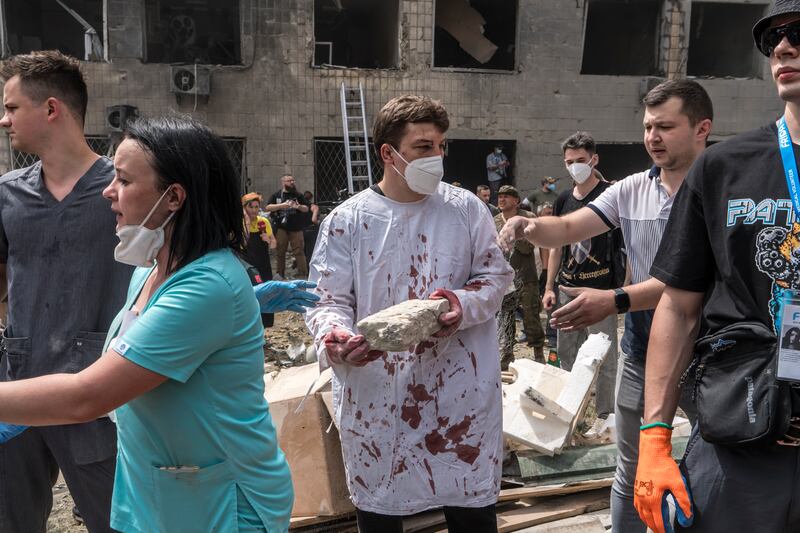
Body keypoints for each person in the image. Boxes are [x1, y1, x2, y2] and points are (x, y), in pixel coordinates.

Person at [0, 116, 318, 532]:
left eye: (123, 180)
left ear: (173, 197)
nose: (108, 191)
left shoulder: (207, 286)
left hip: (221, 504)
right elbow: (129, 358)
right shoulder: (149, 271)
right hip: (158, 492)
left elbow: (88, 397)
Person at [498, 78, 713, 533]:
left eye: (665, 127)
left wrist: (615, 300)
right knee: (632, 465)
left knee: (712, 459)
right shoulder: (631, 189)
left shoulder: (722, 189)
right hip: (641, 343)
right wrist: (526, 226)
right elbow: (568, 228)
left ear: (702, 128)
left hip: (708, 347)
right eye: (648, 127)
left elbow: (688, 284)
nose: (653, 137)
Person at [305, 95, 512, 533]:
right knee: (381, 509)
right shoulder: (348, 220)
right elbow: (326, 300)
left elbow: (495, 278)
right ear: (388, 153)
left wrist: (456, 305)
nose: (437, 156)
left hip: (459, 392)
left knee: (470, 511)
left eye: (441, 145)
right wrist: (336, 338)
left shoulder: (465, 209)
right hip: (379, 394)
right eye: (423, 146)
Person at [634, 5, 800, 531]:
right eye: (772, 40)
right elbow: (679, 305)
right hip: (743, 438)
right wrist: (654, 437)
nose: (782, 48)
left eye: (798, 34)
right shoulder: (724, 167)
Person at [0, 50, 133, 533]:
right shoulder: (7, 194)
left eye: (12, 108)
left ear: (51, 108)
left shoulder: (121, 191)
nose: (4, 120)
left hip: (99, 389)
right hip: (18, 386)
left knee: (115, 520)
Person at [545, 131, 623, 436]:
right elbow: (556, 246)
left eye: (580, 160)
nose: (575, 166)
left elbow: (626, 243)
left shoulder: (610, 194)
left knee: (604, 357)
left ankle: (606, 416)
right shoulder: (563, 200)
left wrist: (622, 289)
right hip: (567, 288)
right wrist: (549, 287)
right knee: (568, 355)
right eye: (569, 162)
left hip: (600, 291)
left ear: (594, 160)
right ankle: (571, 415)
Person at [494, 185, 545, 366]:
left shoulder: (528, 217)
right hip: (504, 279)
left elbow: (535, 245)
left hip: (526, 276)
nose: (502, 199)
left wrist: (545, 271)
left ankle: (538, 352)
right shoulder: (494, 221)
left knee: (531, 316)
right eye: (500, 196)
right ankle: (507, 353)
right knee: (506, 317)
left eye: (507, 196)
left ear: (516, 200)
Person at [241, 192, 277, 328]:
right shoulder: (240, 223)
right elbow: (242, 244)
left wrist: (268, 240)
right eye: (251, 207)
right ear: (244, 208)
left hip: (263, 263)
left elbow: (274, 244)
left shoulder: (263, 222)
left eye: (256, 207)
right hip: (247, 264)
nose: (254, 210)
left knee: (266, 290)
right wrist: (247, 224)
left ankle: (265, 325)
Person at [265, 174, 310, 279]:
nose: (292, 182)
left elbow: (306, 208)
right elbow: (268, 207)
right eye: (289, 181)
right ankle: (280, 275)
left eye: (293, 180)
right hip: (281, 228)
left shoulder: (298, 195)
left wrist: (298, 206)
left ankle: (302, 274)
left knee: (299, 251)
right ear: (283, 182)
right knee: (280, 251)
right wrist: (282, 206)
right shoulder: (276, 195)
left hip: (296, 228)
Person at [301, 190, 321, 267]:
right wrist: (319, 223)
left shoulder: (300, 207)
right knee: (310, 250)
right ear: (311, 198)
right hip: (311, 230)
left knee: (303, 250)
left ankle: (303, 267)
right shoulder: (314, 207)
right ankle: (309, 268)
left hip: (301, 230)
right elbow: (314, 219)